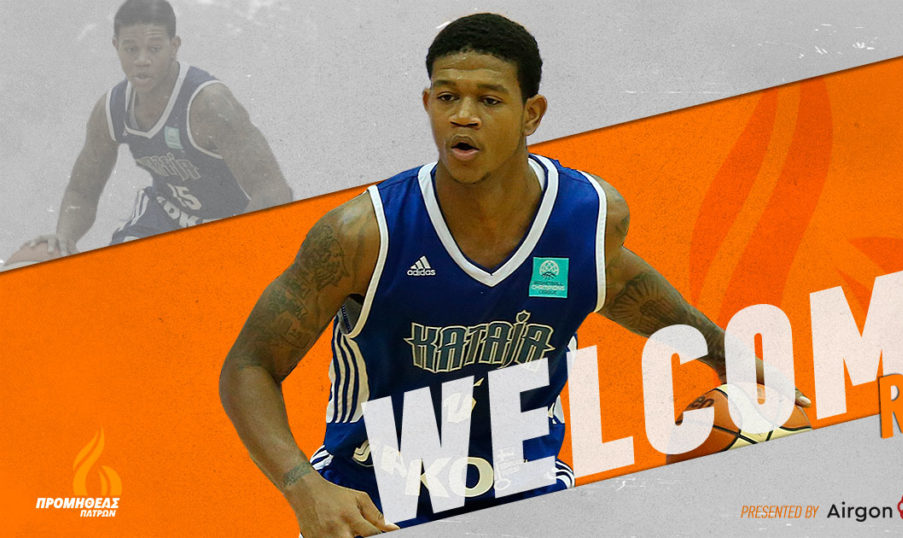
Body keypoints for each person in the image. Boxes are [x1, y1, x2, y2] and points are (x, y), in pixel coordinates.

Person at [219, 13, 809, 537]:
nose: (464, 116)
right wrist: (304, 487)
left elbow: (622, 285)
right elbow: (249, 366)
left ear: (532, 113)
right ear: (427, 104)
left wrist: (729, 359)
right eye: (447, 97)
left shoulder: (587, 216)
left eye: (489, 100)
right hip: (375, 501)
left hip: (525, 493)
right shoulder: (364, 234)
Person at [29, 0, 292, 255]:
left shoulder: (210, 105)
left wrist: (236, 251)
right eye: (131, 49)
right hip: (163, 216)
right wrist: (64, 238)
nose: (142, 60)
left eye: (154, 49)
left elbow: (273, 191)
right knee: (118, 273)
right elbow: (82, 191)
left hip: (226, 224)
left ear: (174, 46)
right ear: (116, 46)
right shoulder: (110, 110)